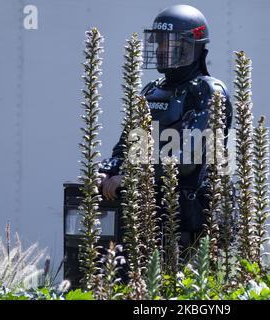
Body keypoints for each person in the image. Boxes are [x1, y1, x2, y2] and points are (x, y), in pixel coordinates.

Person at [98, 4, 233, 257]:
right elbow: (125, 145)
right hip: (147, 211)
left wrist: (131, 178)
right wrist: (107, 171)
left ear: (191, 47)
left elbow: (187, 160)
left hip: (192, 217)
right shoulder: (151, 89)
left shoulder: (208, 91)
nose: (161, 50)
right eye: (159, 42)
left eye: (169, 43)